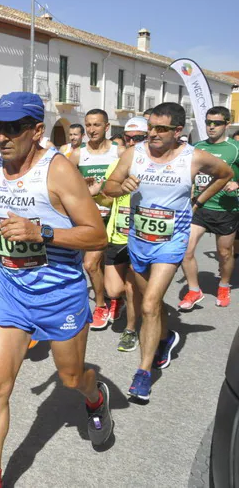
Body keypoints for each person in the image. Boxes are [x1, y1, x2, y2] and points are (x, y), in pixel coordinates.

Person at [0, 92, 112, 488]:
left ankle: (95, 396)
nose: (0, 137)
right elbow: (2, 218)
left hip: (59, 295)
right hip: (14, 292)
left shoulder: (58, 170)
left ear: (35, 131)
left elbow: (96, 234)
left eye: (12, 129)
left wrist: (42, 232)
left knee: (70, 378)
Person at [103, 102, 232, 402]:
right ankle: (166, 336)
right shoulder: (133, 154)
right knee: (154, 304)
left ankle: (143, 374)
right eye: (150, 127)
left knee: (148, 305)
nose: (153, 134)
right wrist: (121, 188)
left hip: (170, 243)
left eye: (160, 129)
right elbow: (108, 187)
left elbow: (224, 174)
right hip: (138, 240)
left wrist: (198, 201)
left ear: (178, 131)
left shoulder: (193, 157)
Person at [178, 106, 239, 309]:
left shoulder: (235, 148)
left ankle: (223, 284)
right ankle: (194, 291)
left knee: (224, 253)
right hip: (199, 208)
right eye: (208, 122)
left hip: (226, 209)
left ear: (227, 125)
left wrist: (237, 184)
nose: (211, 127)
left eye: (217, 123)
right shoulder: (197, 147)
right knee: (186, 251)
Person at [69, 109, 123, 329]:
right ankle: (101, 305)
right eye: (88, 125)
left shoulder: (120, 152)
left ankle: (116, 298)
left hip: (115, 217)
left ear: (107, 127)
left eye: (97, 125)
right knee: (90, 264)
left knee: (115, 272)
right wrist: (82, 185)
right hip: (91, 219)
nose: (92, 130)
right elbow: (64, 185)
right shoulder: (77, 154)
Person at [102, 117, 146, 350]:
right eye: (127, 138)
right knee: (113, 289)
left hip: (140, 236)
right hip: (117, 235)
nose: (131, 142)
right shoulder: (118, 164)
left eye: (137, 138)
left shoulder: (153, 165)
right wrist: (94, 193)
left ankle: (130, 329)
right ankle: (119, 303)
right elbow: (106, 196)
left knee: (131, 285)